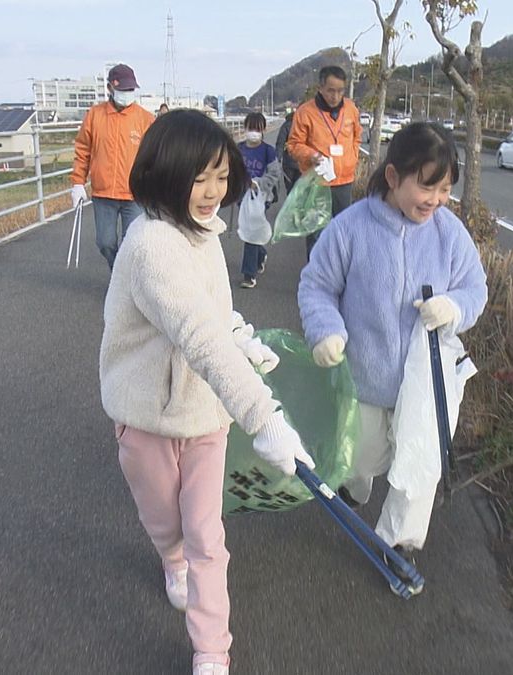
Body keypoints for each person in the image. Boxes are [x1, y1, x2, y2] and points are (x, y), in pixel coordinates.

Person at [101, 109, 314, 675]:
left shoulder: (204, 234)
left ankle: (211, 650)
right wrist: (265, 418)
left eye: (221, 176)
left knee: (206, 534)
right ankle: (170, 557)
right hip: (146, 415)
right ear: (164, 173)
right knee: (166, 524)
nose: (213, 192)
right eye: (199, 177)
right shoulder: (151, 244)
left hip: (204, 415)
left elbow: (213, 318)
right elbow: (195, 334)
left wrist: (240, 338)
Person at [298, 122, 487, 572]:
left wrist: (453, 307)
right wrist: (325, 330)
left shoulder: (449, 233)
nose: (436, 201)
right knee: (361, 458)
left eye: (444, 190)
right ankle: (354, 484)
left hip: (427, 385)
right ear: (392, 177)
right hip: (363, 379)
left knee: (419, 465)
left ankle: (400, 542)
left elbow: (475, 288)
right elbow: (317, 286)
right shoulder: (350, 228)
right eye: (427, 187)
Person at [71, 63, 156, 269]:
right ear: (110, 88)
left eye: (130, 90)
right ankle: (118, 272)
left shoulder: (145, 119)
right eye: (122, 89)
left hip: (134, 194)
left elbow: (154, 156)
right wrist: (77, 182)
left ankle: (126, 285)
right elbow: (83, 149)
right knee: (105, 242)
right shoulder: (95, 115)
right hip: (103, 193)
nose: (127, 94)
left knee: (133, 244)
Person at [286, 66, 362, 258]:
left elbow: (357, 137)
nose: (336, 96)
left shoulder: (351, 110)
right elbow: (294, 144)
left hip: (344, 181)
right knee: (317, 233)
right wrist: (311, 155)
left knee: (344, 232)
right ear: (320, 88)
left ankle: (341, 278)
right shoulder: (305, 112)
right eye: (331, 90)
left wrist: (352, 158)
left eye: (340, 91)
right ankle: (315, 278)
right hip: (317, 181)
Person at [236, 112, 282, 289]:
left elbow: (274, 174)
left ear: (263, 130)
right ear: (245, 128)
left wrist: (258, 183)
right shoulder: (239, 149)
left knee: (251, 233)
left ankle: (249, 274)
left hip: (261, 197)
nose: (253, 132)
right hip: (243, 197)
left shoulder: (268, 151)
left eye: (257, 129)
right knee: (248, 231)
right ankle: (260, 254)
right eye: (250, 128)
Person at [274, 108, 301, 192]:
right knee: (301, 190)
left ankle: (291, 204)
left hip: (288, 162)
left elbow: (280, 144)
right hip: (302, 163)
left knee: (290, 189)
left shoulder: (286, 125)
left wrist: (277, 160)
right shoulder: (305, 124)